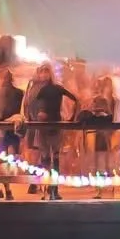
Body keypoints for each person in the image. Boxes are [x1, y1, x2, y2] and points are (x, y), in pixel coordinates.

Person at [21, 62, 78, 199]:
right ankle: (49, 187)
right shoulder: (41, 89)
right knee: (46, 156)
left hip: (50, 126)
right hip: (45, 126)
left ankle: (51, 187)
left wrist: (70, 117)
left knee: (51, 157)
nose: (44, 74)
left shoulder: (47, 89)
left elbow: (32, 107)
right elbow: (31, 107)